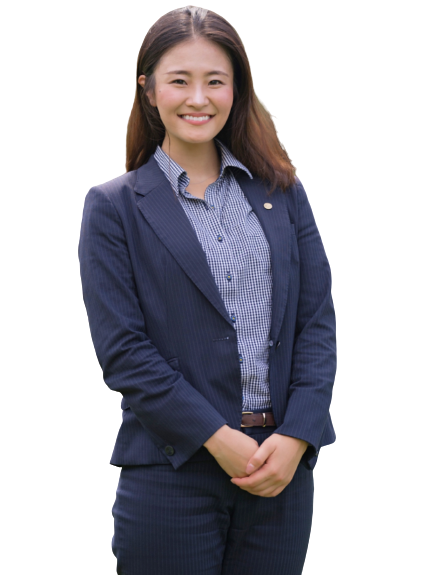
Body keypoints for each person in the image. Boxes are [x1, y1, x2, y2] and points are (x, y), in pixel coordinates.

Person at [78, 6, 336, 575]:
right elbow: (124, 352)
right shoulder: (114, 207)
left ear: (236, 89)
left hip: (280, 473)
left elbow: (316, 325)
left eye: (215, 81)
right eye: (180, 80)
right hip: (172, 471)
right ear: (149, 91)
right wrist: (217, 438)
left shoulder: (284, 192)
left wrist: (297, 436)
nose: (199, 98)